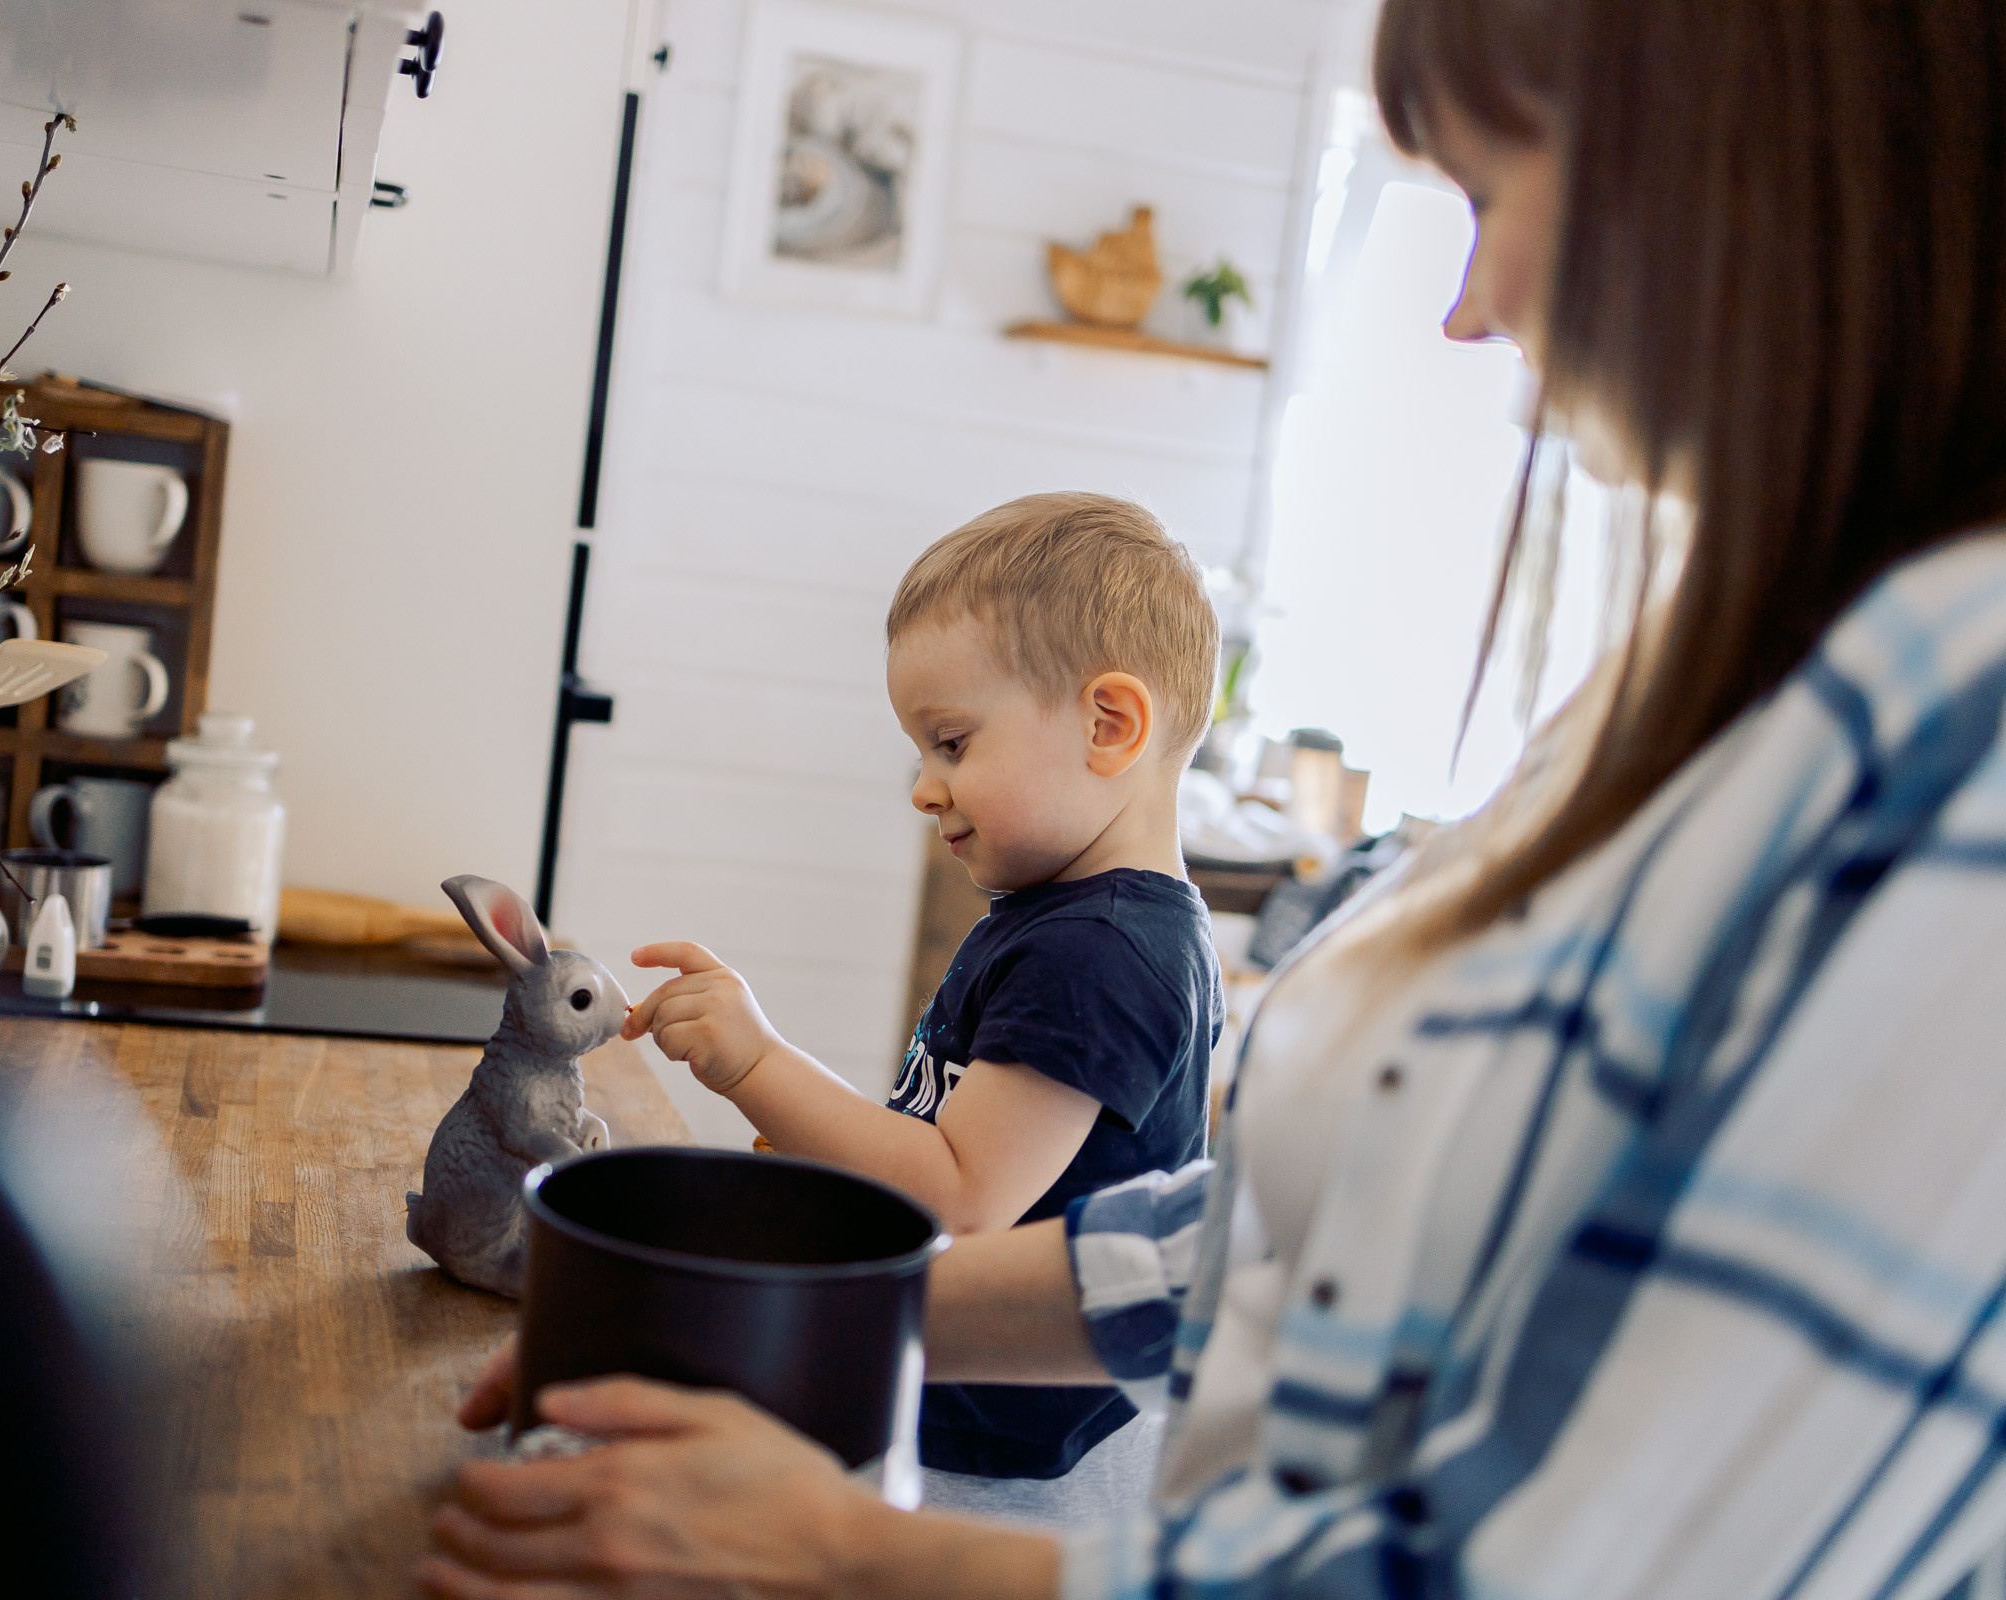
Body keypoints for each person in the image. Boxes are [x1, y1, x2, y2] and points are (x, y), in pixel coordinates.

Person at [418, 0, 2006, 1594]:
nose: (1471, 308)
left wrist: (848, 1555)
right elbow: (1313, 1233)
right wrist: (757, 1315)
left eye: (1495, 189)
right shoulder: (1727, 667)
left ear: (1751, 169)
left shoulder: (1958, 759)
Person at [616, 494, 1225, 1525]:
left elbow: (960, 1196)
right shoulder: (1068, 920)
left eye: (950, 742)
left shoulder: (1100, 954)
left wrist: (757, 1061)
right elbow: (956, 1143)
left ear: (1108, 724)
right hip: (983, 1413)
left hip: (1009, 1461)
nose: (923, 788)